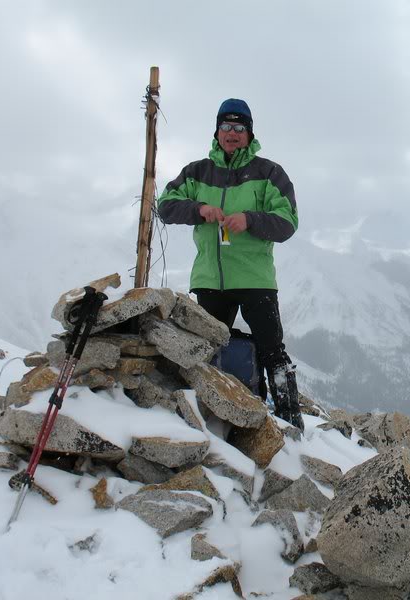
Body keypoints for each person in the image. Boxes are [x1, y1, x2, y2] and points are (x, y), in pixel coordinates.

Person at [157, 98, 304, 431]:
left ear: (250, 133)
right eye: (226, 127)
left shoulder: (269, 173)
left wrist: (249, 219)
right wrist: (199, 210)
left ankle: (290, 423)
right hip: (211, 279)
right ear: (217, 131)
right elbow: (165, 206)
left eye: (240, 128)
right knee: (207, 351)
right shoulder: (197, 172)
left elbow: (287, 222)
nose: (232, 133)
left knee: (272, 352)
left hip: (255, 279)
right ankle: (209, 418)